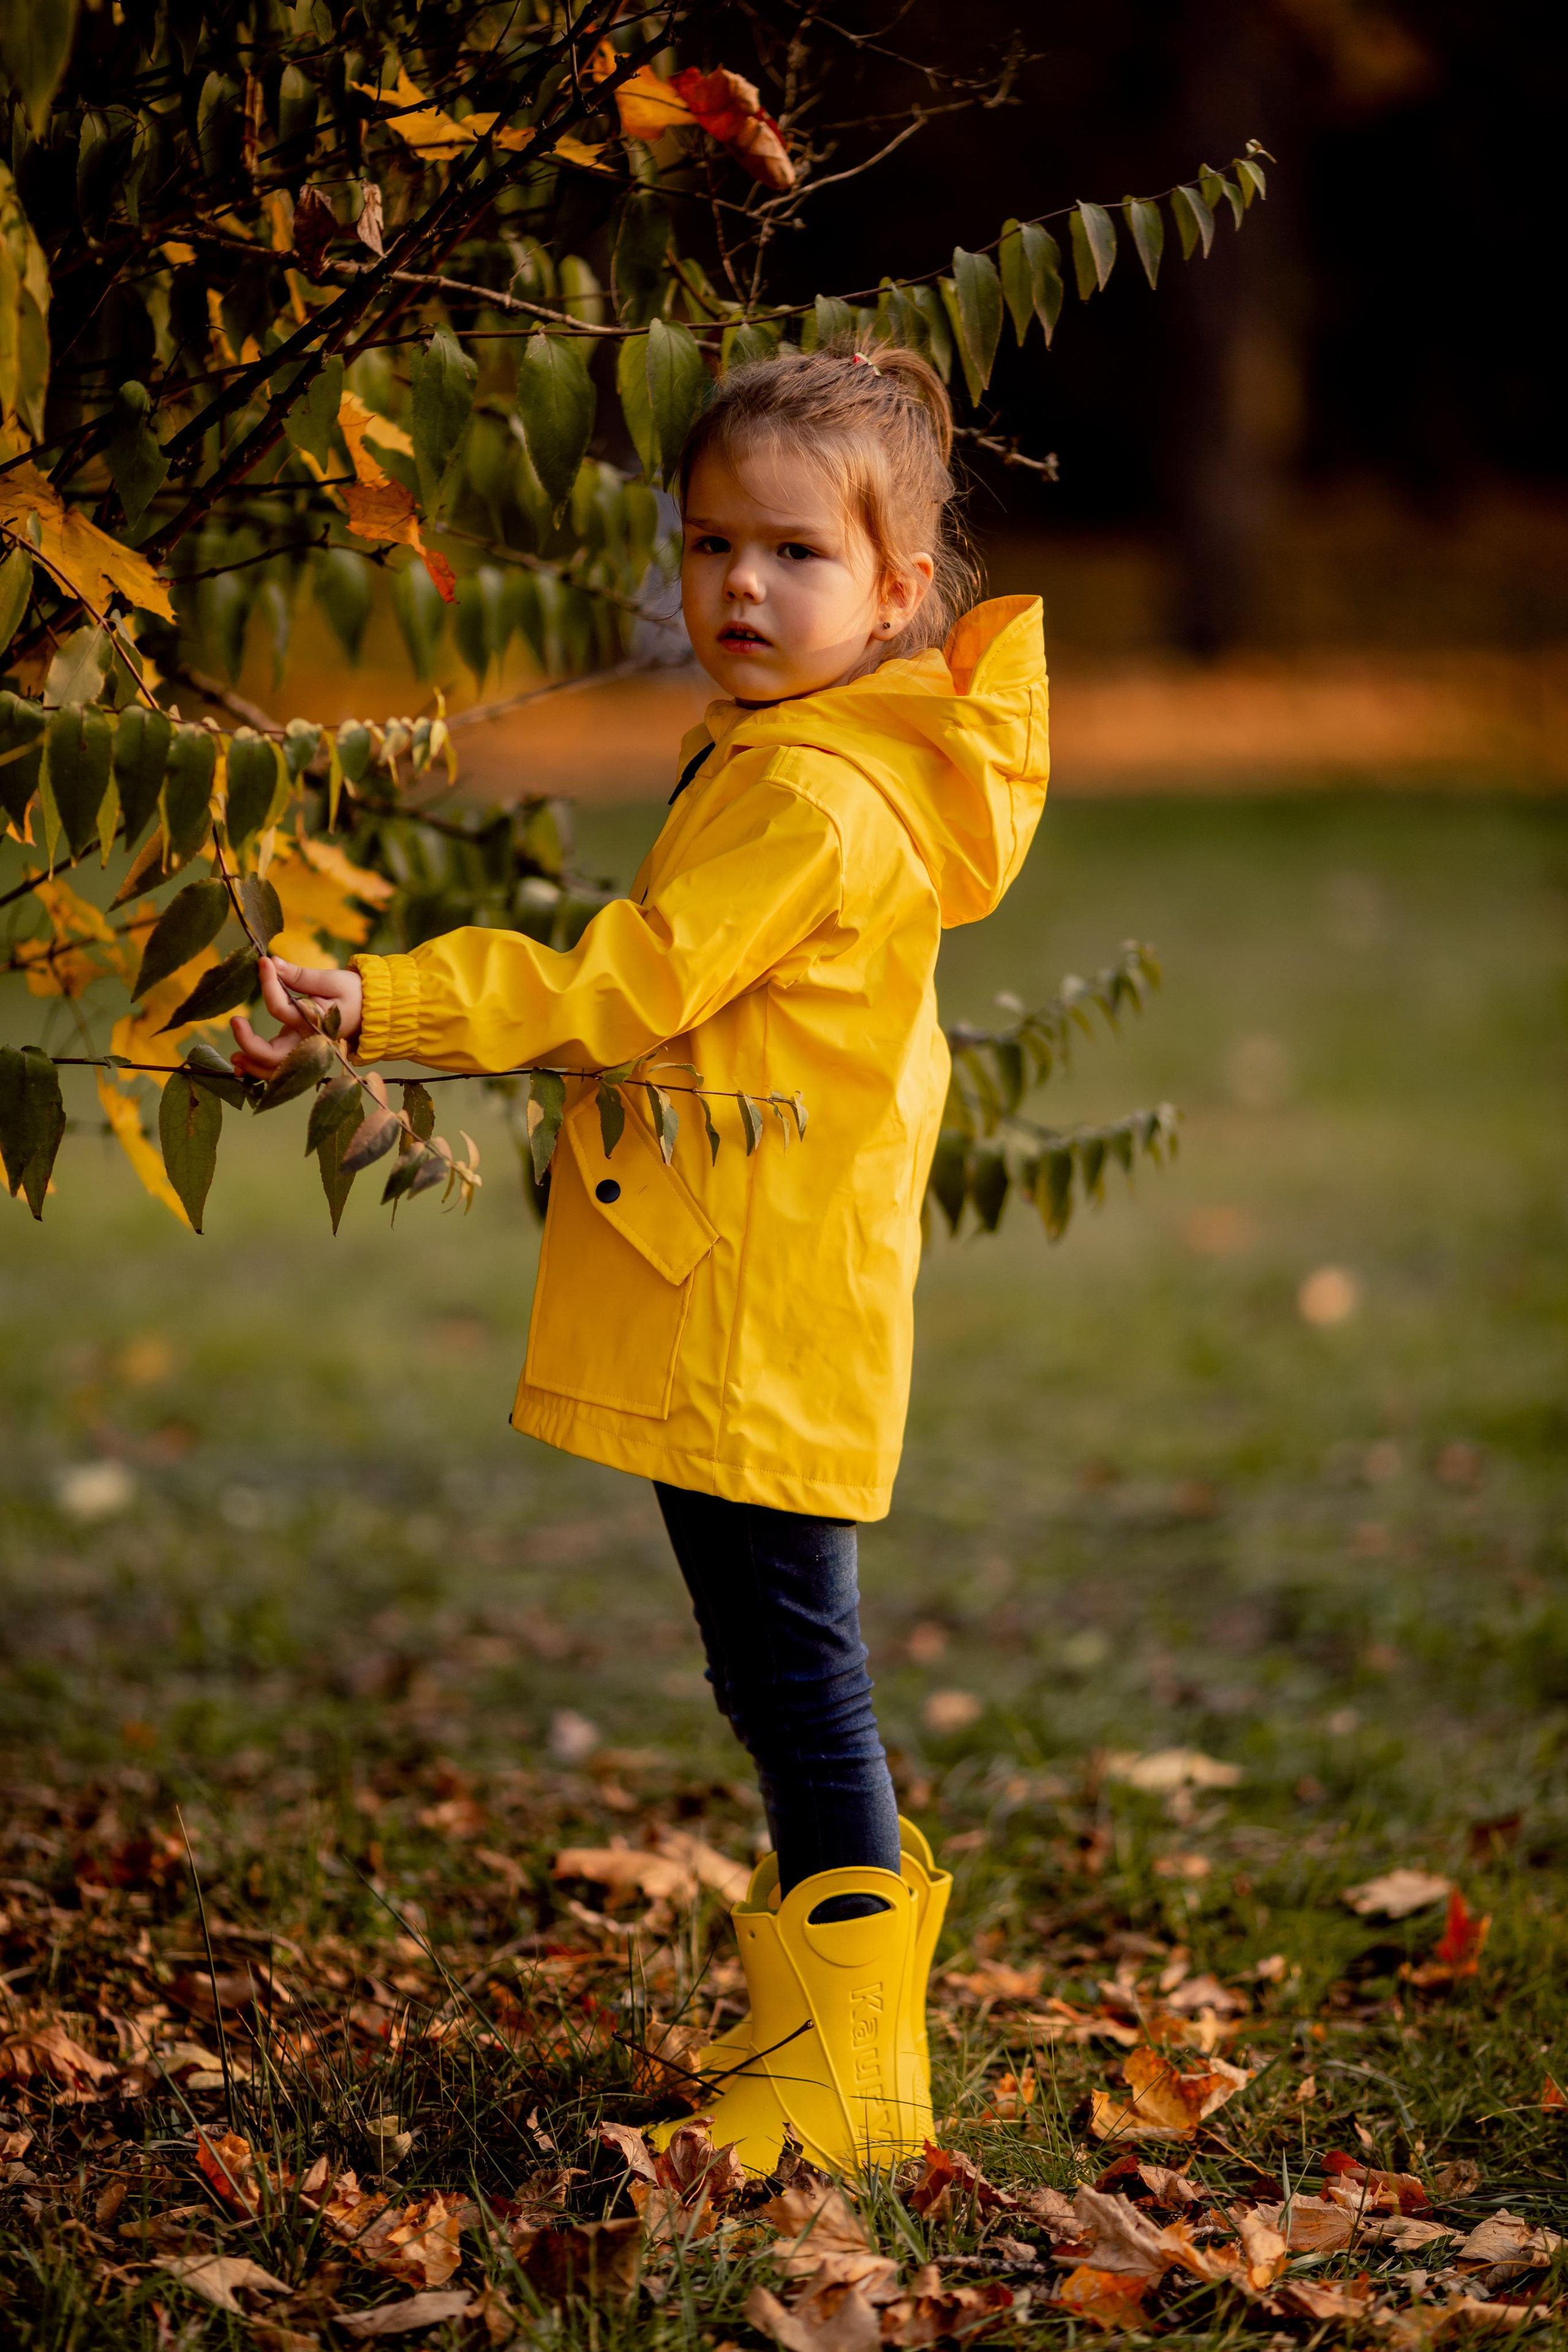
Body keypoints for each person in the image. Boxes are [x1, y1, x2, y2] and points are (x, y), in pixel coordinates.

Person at [231, 343, 1050, 2176]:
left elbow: (631, 982)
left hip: (757, 1297)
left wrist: (387, 998)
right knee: (775, 1659)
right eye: (709, 545)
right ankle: (817, 2023)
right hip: (772, 1273)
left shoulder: (814, 796)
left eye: (796, 554)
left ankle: (852, 2075)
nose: (742, 586)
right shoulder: (817, 758)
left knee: (793, 1662)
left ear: (903, 588)